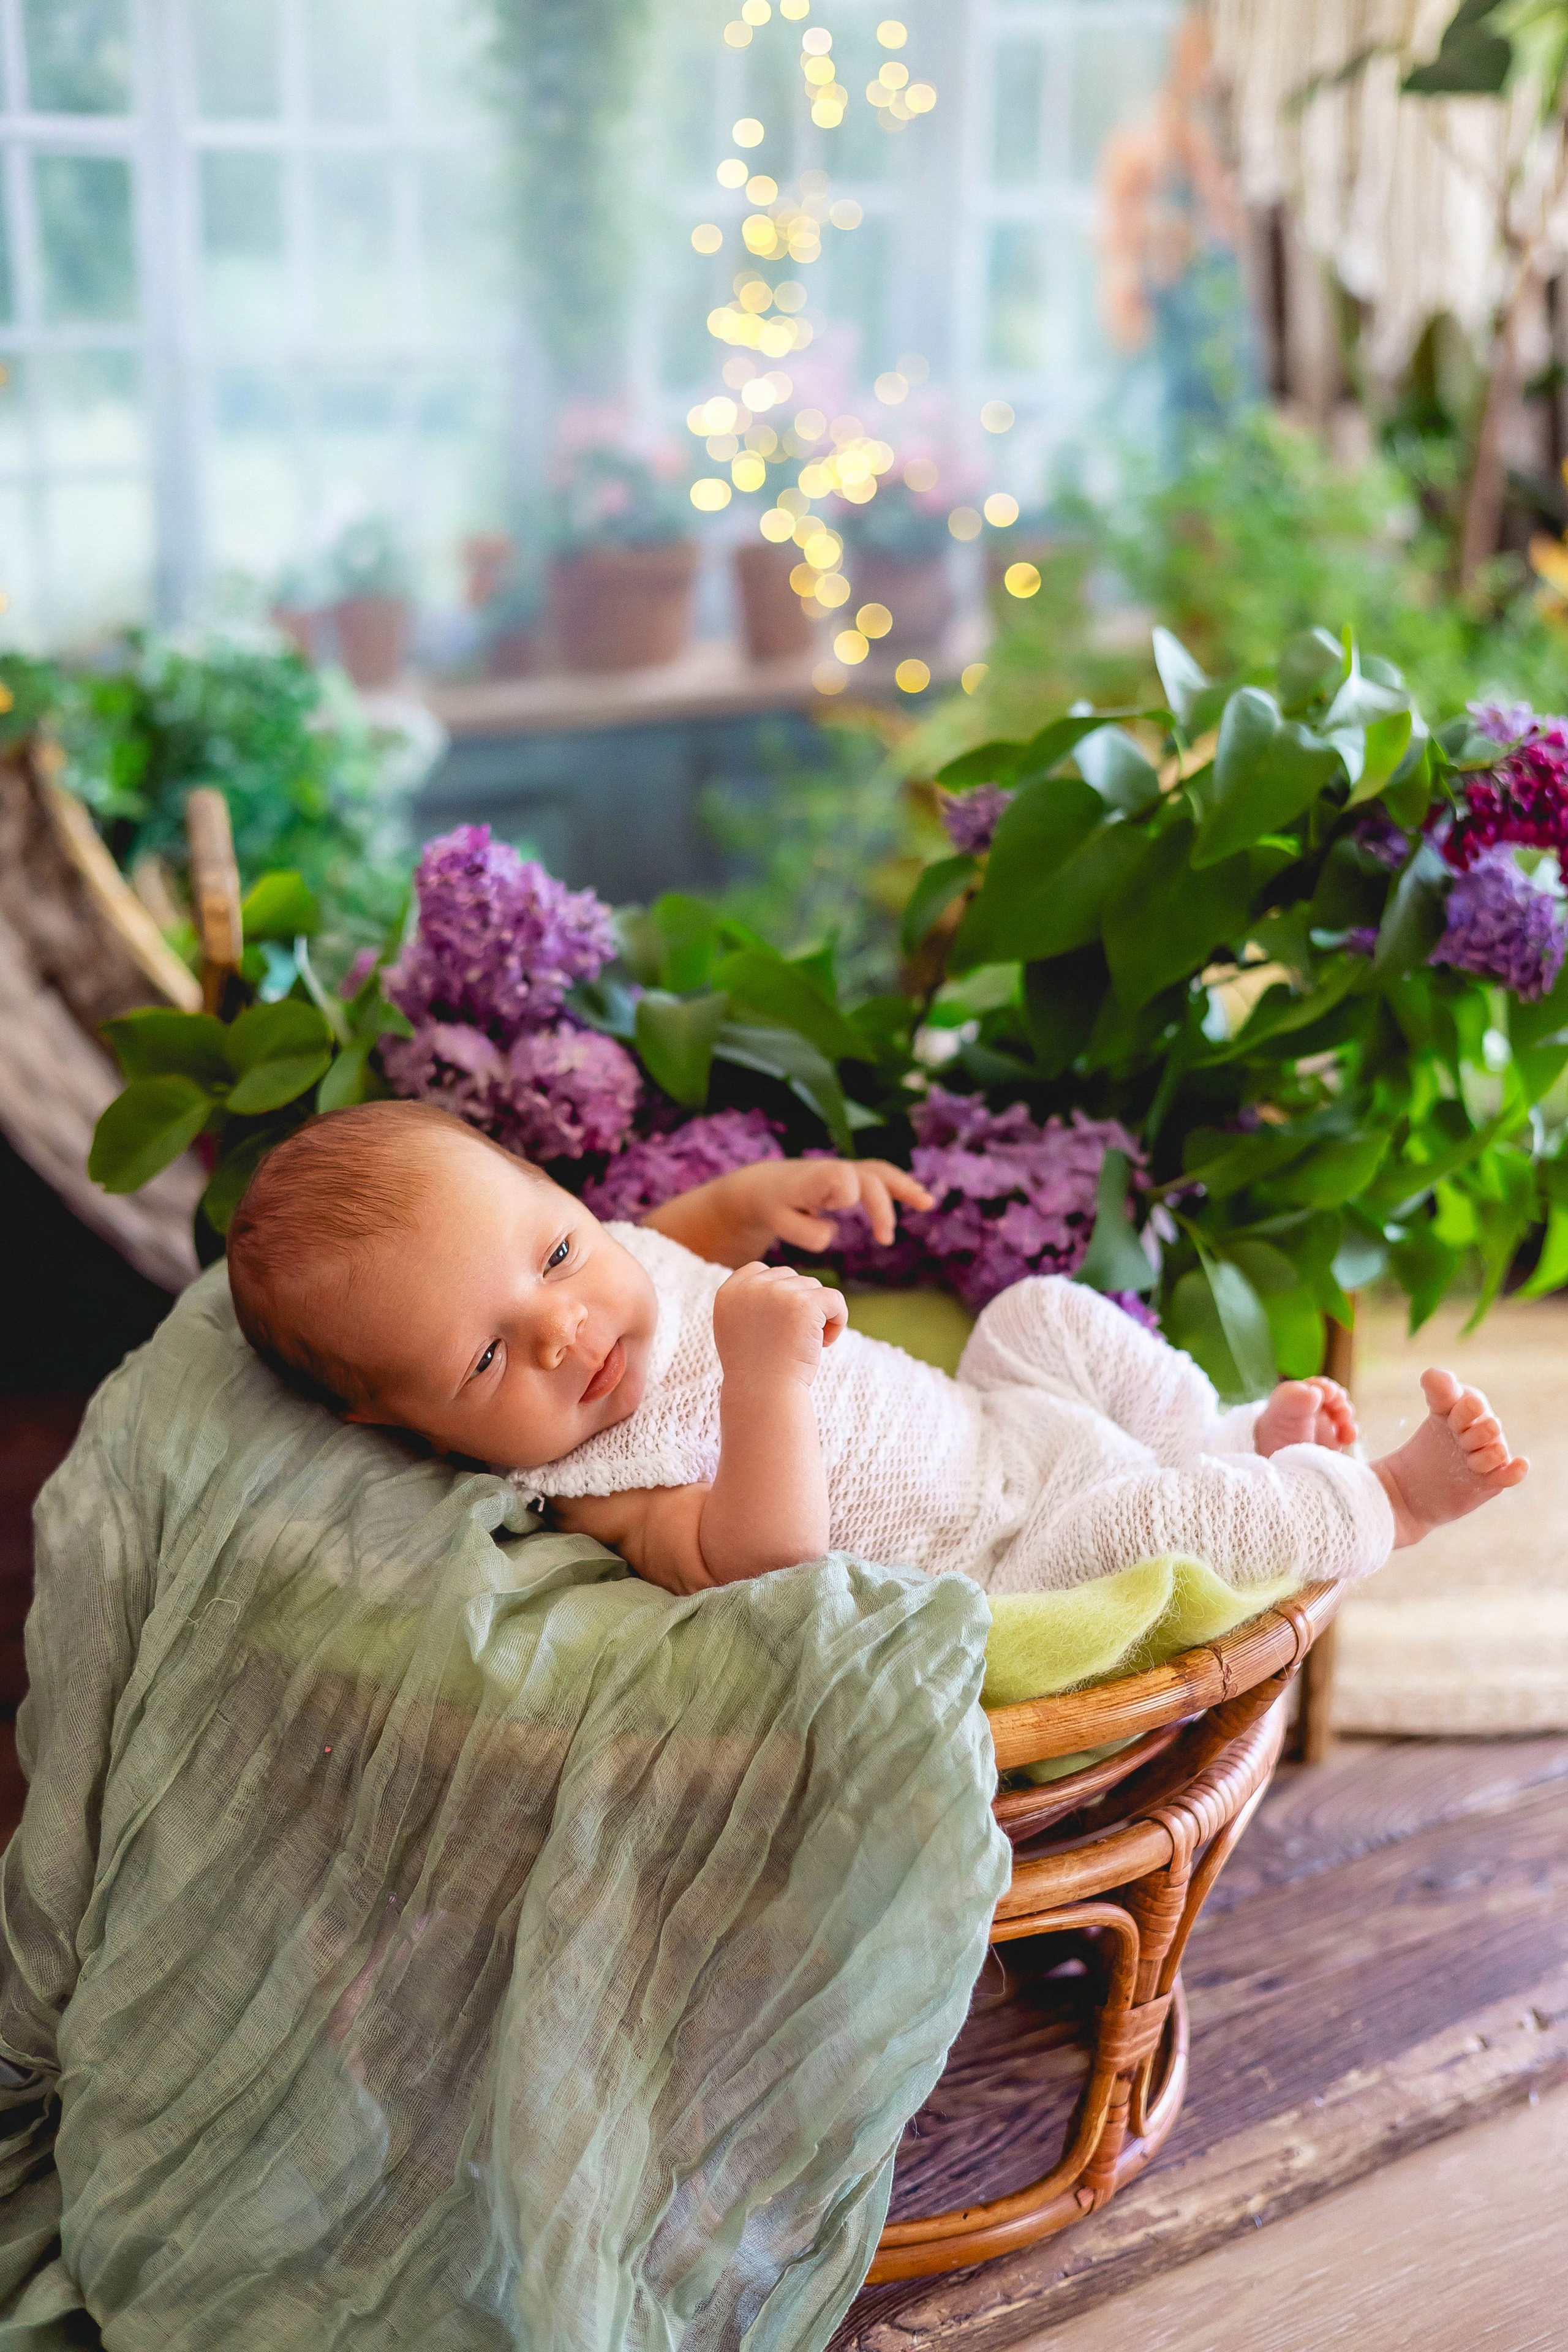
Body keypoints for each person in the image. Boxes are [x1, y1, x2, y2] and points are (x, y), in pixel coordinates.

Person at [225, 1101, 1528, 1600]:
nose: (566, 1331)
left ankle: (1220, 1427)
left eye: (557, 1254)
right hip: (1001, 1561)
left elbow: (663, 1239)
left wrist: (758, 1203)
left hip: (998, 1432)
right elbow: (759, 1557)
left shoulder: (607, 1260)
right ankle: (1382, 1503)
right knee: (1161, 1531)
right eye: (484, 1364)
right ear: (413, 1430)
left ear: (565, 1207)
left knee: (1036, 1316)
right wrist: (763, 1380)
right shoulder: (593, 1483)